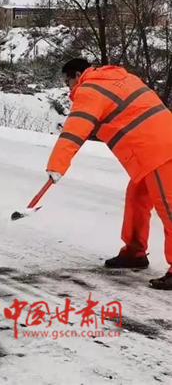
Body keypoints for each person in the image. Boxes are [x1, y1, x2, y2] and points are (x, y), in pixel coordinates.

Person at [46, 58, 172, 290]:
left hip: (158, 151)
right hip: (156, 145)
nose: (69, 88)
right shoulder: (120, 77)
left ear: (76, 75)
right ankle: (134, 252)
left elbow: (75, 130)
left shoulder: (90, 89)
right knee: (137, 198)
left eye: (68, 82)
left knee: (169, 208)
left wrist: (56, 165)